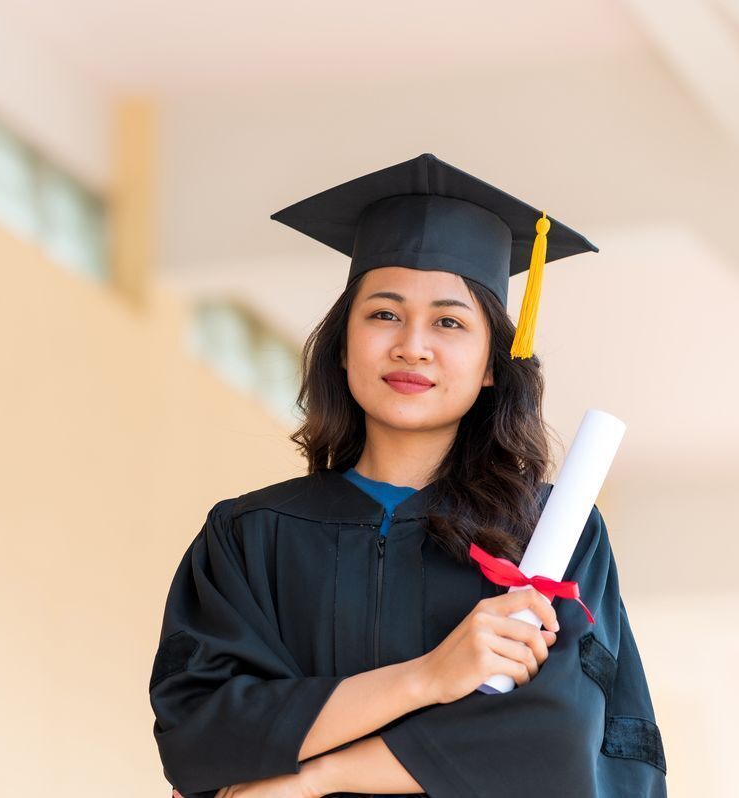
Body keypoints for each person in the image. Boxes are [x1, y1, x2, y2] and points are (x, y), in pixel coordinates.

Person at [148, 153, 667, 798]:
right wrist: (428, 676)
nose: (412, 345)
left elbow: (555, 739)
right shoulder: (250, 535)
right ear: (343, 346)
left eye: (449, 321)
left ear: (489, 365)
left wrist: (315, 777)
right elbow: (199, 731)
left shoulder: (551, 534)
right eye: (384, 314)